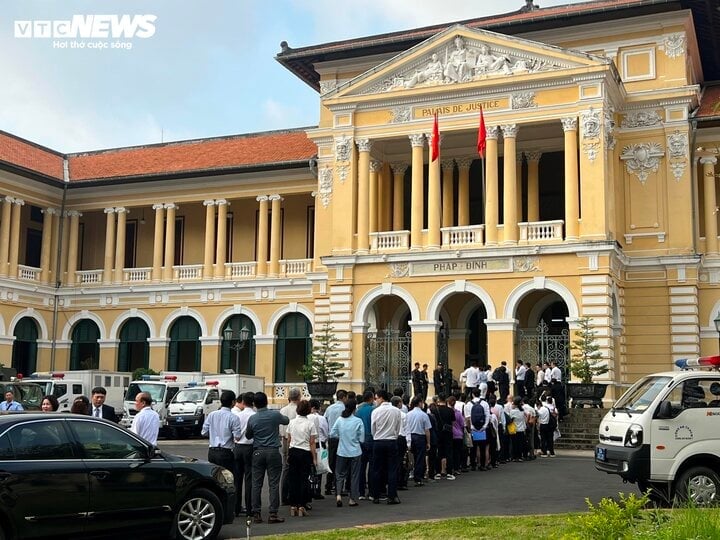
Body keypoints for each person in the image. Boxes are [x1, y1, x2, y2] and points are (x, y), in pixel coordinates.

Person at [246, 391, 289, 524]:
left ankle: (256, 513)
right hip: (273, 451)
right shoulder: (274, 414)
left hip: (258, 451)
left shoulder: (252, 418)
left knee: (256, 484)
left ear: (254, 404)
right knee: (273, 483)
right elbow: (286, 420)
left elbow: (248, 435)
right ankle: (273, 513)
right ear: (266, 401)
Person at [329, 398, 364, 507]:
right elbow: (362, 439)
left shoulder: (340, 420)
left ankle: (338, 495)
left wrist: (341, 436)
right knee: (354, 475)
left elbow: (332, 433)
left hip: (342, 451)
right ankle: (352, 498)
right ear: (355, 408)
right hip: (355, 451)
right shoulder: (358, 421)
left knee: (339, 474)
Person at [370, 389, 402, 504]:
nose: (375, 400)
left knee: (377, 469)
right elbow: (398, 427)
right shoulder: (396, 411)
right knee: (392, 469)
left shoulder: (376, 412)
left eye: (376, 398)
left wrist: (376, 436)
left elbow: (373, 428)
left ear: (381, 398)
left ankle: (376, 495)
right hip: (391, 441)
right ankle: (392, 495)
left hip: (378, 441)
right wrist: (394, 436)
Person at [286, 399, 317, 517]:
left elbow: (289, 439)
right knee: (304, 479)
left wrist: (288, 453)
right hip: (305, 452)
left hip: (293, 451)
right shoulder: (310, 424)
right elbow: (312, 442)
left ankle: (293, 505)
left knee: (293, 479)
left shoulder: (292, 422)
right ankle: (302, 505)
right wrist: (314, 458)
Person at [201, 390, 242, 475]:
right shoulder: (234, 418)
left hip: (212, 451)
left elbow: (204, 432)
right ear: (233, 402)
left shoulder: (212, 415)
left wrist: (214, 433)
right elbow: (237, 437)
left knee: (214, 477)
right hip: (225, 452)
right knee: (227, 478)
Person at [232, 391, 255, 517]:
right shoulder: (254, 416)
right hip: (250, 447)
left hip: (238, 446)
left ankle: (236, 507)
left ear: (243, 402)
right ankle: (249, 508)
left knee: (237, 478)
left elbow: (235, 433)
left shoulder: (238, 416)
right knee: (249, 478)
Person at [324, 389, 348, 496]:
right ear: (343, 397)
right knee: (341, 463)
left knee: (331, 462)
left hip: (331, 438)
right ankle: (338, 486)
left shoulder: (329, 408)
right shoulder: (344, 408)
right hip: (342, 438)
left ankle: (328, 486)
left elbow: (324, 421)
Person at [279, 387, 300, 505]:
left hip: (285, 440)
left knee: (286, 468)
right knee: (297, 469)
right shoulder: (299, 409)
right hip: (297, 441)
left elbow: (281, 429)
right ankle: (294, 495)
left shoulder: (283, 410)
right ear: (298, 397)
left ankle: (284, 496)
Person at [405, 395, 431, 486]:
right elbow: (427, 430)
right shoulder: (424, 415)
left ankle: (408, 474)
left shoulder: (408, 414)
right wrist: (428, 442)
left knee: (410, 457)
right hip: (420, 437)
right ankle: (418, 478)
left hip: (410, 436)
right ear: (420, 403)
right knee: (420, 458)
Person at [355, 390, 375, 499]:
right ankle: (371, 492)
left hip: (360, 441)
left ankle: (361, 492)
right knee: (372, 467)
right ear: (371, 398)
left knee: (361, 467)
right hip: (371, 439)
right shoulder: (373, 410)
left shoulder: (358, 411)